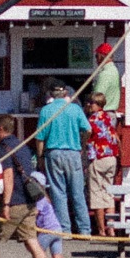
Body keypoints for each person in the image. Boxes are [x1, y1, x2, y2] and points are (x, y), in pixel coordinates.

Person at [35, 82, 91, 236]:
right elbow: (88, 130)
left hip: (53, 152)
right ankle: (84, 230)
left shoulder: (46, 110)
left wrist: (40, 157)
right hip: (73, 152)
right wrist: (82, 144)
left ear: (51, 94)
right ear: (66, 93)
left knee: (58, 193)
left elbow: (39, 138)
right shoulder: (75, 109)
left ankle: (64, 229)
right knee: (78, 192)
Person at [31, 190, 93, 258]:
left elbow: (34, 213)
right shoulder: (46, 199)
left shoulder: (39, 200)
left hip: (47, 231)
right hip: (57, 229)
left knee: (38, 256)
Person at [85, 93, 121, 236]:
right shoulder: (108, 118)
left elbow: (88, 135)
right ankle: (111, 228)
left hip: (98, 157)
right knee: (108, 193)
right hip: (111, 157)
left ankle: (101, 230)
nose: (89, 105)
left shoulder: (92, 119)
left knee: (96, 193)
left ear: (97, 104)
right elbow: (115, 136)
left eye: (91, 103)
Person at [93, 42, 122, 114]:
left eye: (96, 56)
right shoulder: (115, 71)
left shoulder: (105, 74)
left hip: (103, 114)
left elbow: (97, 98)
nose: (96, 60)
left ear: (101, 56)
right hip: (111, 112)